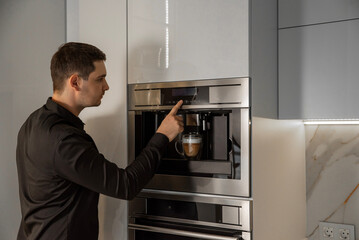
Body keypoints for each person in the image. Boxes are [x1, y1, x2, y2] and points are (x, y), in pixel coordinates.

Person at [16, 42, 184, 240]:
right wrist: (162, 136)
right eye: (100, 79)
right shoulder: (64, 139)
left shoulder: (33, 122)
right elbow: (125, 185)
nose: (106, 86)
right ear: (75, 82)